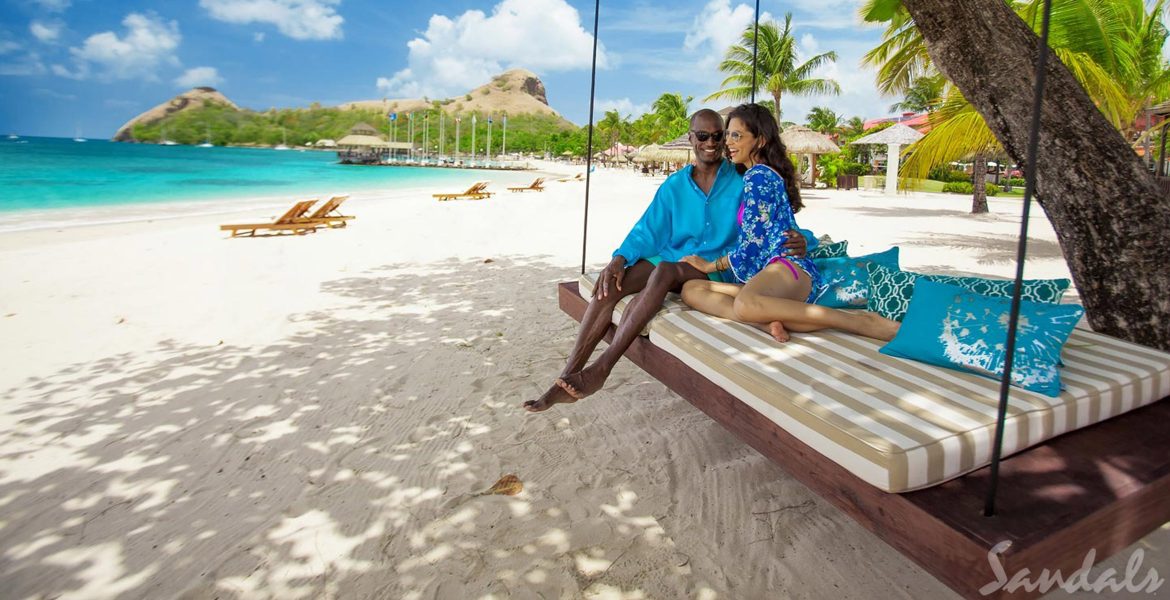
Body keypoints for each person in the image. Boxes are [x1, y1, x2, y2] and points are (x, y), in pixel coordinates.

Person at [524, 108, 809, 412]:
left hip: (712, 268)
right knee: (611, 284)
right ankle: (567, 375)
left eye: (718, 135)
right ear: (691, 138)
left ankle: (601, 370)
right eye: (703, 136)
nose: (711, 142)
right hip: (673, 259)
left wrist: (802, 239)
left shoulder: (743, 179)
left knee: (665, 269)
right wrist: (619, 258)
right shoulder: (674, 186)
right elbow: (647, 229)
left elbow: (771, 220)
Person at [679, 103, 901, 343]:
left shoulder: (758, 176)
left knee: (743, 302)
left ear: (760, 141)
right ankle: (765, 321)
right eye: (728, 135)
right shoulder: (758, 174)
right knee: (691, 289)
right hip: (767, 275)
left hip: (785, 268)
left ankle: (857, 322)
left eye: (737, 135)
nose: (728, 142)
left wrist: (710, 266)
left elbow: (753, 244)